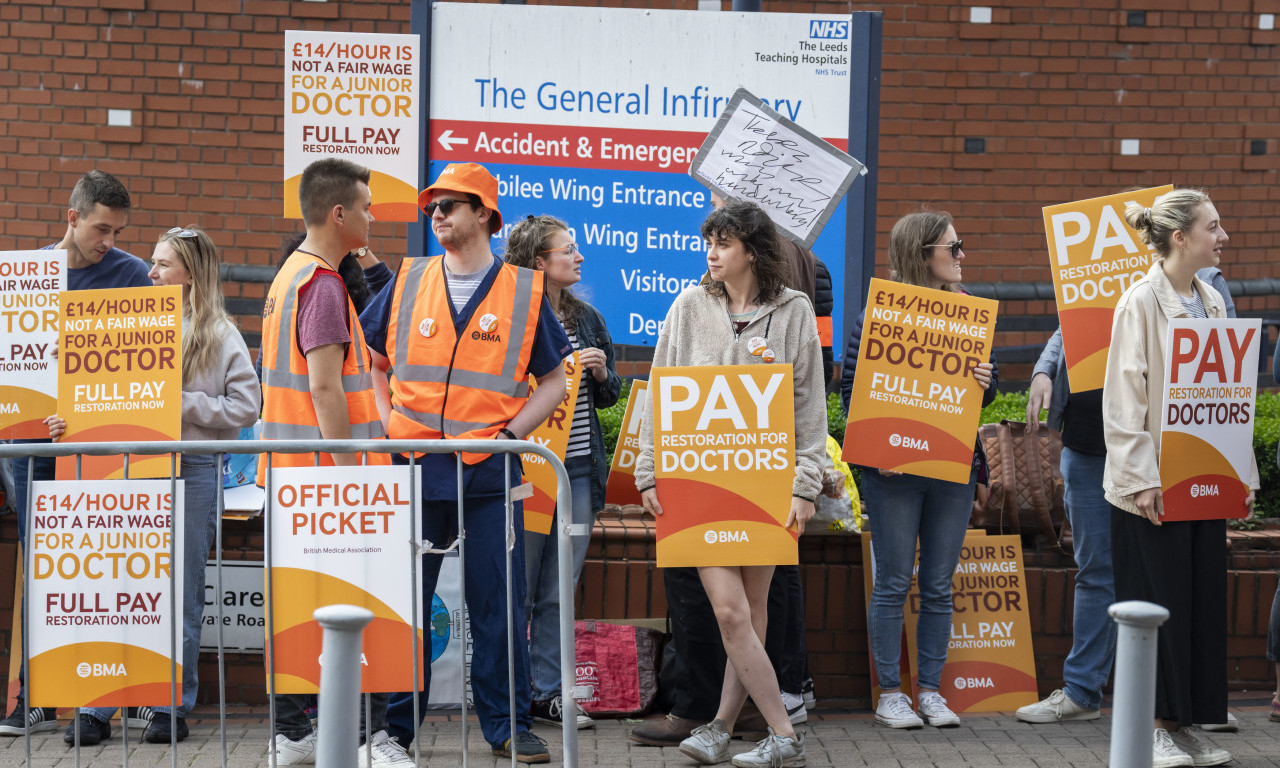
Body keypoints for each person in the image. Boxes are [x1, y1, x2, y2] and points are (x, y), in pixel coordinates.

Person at [359, 162, 570, 764]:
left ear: (484, 215)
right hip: (415, 466)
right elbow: (375, 363)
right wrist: (387, 425)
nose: (438, 213)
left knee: (497, 602)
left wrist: (511, 434)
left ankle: (509, 729)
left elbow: (554, 381)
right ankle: (395, 733)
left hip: (488, 468)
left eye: (452, 204)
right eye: (435, 205)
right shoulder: (408, 280)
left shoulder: (524, 291)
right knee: (405, 602)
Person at [47, 227, 260, 743]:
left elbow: (246, 408)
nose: (151, 273)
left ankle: (168, 707)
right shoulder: (126, 320)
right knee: (115, 589)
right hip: (125, 470)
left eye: (163, 264)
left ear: (190, 272)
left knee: (180, 593)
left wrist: (178, 400)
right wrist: (65, 418)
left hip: (190, 470)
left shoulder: (220, 333)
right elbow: (97, 397)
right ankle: (99, 707)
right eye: (152, 262)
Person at [634, 200, 826, 767]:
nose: (712, 253)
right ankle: (784, 735)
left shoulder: (794, 312)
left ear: (752, 250)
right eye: (709, 242)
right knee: (729, 611)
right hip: (698, 479)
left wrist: (805, 484)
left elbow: (809, 409)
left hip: (768, 480)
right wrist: (649, 470)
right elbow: (659, 386)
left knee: (754, 609)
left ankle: (719, 725)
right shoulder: (689, 306)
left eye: (723, 242)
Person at [1018, 265, 1238, 727]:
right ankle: (1083, 691)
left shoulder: (1204, 287)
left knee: (1169, 574)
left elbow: (1219, 369)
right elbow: (1070, 325)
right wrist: (1043, 369)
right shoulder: (1104, 274)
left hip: (1158, 453)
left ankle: (1179, 707)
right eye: (1211, 226)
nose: (1221, 237)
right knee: (1097, 571)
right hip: (1087, 444)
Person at [257, 158, 404, 767]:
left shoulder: (291, 276)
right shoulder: (320, 285)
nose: (373, 217)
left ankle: (292, 734)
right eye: (367, 206)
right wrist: (350, 473)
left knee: (297, 608)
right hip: (327, 480)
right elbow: (325, 389)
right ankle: (356, 739)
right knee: (353, 606)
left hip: (292, 474)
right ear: (339, 214)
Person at [0, 170, 153, 740]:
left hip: (98, 448)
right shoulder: (28, 278)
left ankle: (106, 694)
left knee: (100, 569)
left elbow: (146, 370)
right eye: (100, 228)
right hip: (32, 445)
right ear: (72, 217)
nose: (108, 241)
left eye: (116, 231)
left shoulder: (133, 275)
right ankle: (33, 697)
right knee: (44, 571)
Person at [1106, 189, 1252, 768]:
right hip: (1154, 490)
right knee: (1156, 603)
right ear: (1180, 238)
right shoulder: (1138, 303)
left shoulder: (1213, 300)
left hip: (1203, 483)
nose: (1224, 236)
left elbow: (1228, 397)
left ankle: (1183, 724)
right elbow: (1124, 401)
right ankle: (1151, 730)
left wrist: (1240, 472)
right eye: (1214, 227)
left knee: (1195, 605)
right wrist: (1142, 480)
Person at [839, 210, 997, 730]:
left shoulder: (971, 312)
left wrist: (983, 378)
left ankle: (929, 690)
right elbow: (850, 393)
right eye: (953, 247)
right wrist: (877, 448)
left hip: (953, 466)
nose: (961, 256)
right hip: (894, 472)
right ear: (921, 253)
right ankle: (891, 693)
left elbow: (978, 400)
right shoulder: (878, 314)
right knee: (891, 582)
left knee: (937, 584)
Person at [504, 215, 621, 730]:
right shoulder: (510, 316)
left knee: (558, 587)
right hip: (525, 470)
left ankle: (550, 693)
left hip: (576, 473)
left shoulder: (588, 318)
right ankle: (508, 694)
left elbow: (610, 395)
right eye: (567, 250)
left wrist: (599, 372)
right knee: (517, 587)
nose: (578, 257)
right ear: (538, 263)